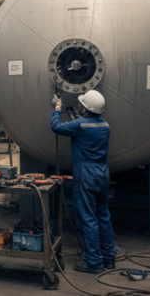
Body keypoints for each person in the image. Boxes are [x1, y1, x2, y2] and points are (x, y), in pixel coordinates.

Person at [51, 90, 116, 274]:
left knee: (88, 218)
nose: (80, 107)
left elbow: (56, 127)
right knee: (103, 215)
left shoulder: (80, 125)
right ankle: (109, 258)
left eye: (82, 105)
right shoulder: (105, 125)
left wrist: (57, 108)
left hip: (86, 173)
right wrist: (76, 117)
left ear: (85, 109)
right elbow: (85, 127)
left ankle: (94, 263)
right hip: (102, 172)